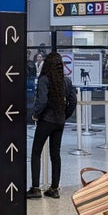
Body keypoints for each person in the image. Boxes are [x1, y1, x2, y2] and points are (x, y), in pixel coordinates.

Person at [26, 52, 76, 200]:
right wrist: (64, 115)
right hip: (59, 121)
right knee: (56, 154)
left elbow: (41, 101)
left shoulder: (44, 79)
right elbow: (73, 101)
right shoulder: (65, 81)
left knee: (36, 152)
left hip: (46, 120)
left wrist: (35, 114)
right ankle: (54, 188)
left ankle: (35, 188)